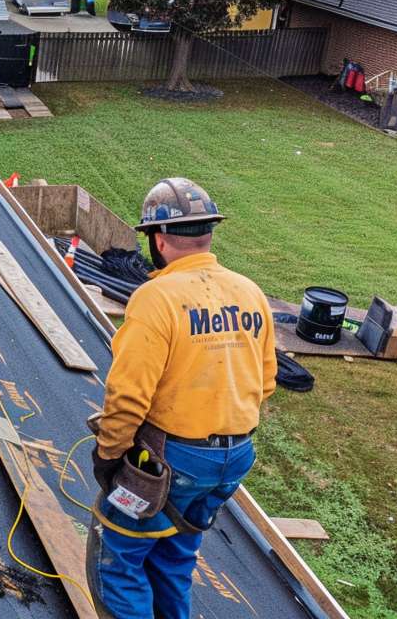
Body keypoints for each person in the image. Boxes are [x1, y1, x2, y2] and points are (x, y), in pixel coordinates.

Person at [89, 178, 277, 618]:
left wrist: (109, 454)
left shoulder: (156, 299)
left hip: (173, 460)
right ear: (208, 234)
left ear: (157, 239)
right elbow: (265, 382)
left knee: (117, 556)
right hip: (234, 456)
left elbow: (128, 396)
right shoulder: (249, 292)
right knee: (175, 557)